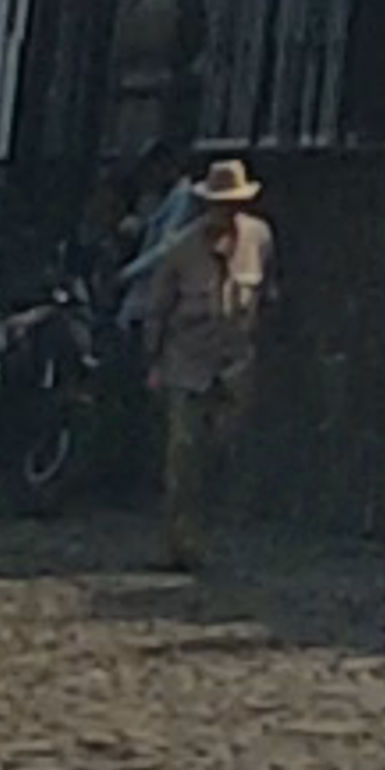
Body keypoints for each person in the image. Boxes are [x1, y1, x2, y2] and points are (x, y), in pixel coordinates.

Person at [137, 151, 272, 571]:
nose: (225, 213)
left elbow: (267, 296)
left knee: (226, 453)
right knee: (183, 455)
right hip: (187, 365)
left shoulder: (260, 239)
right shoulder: (180, 250)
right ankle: (181, 544)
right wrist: (154, 363)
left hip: (235, 365)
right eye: (218, 204)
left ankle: (220, 539)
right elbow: (157, 310)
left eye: (232, 204)